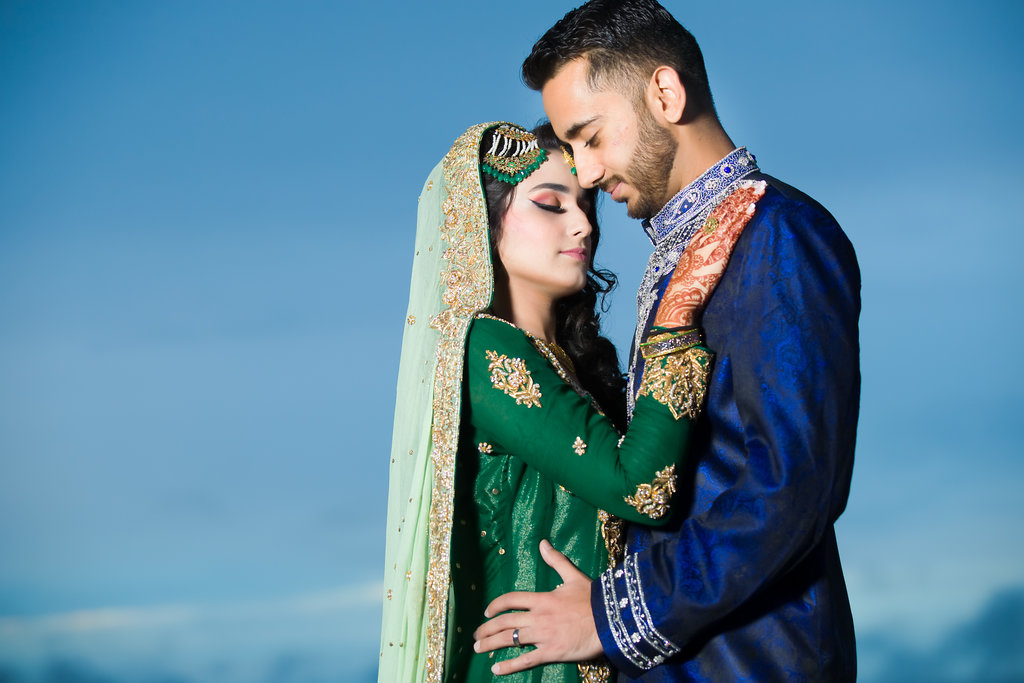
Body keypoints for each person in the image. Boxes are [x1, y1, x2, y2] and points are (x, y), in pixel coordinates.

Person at [473, 1, 861, 680]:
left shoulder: (778, 234)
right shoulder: (681, 252)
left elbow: (793, 485)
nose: (585, 173)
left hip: (755, 661)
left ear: (665, 92)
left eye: (590, 136)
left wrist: (609, 613)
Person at [378, 121, 760, 682]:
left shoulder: (561, 361)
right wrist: (676, 317)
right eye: (550, 205)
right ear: (480, 228)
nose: (583, 223)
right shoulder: (487, 349)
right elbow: (642, 489)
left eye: (585, 205)